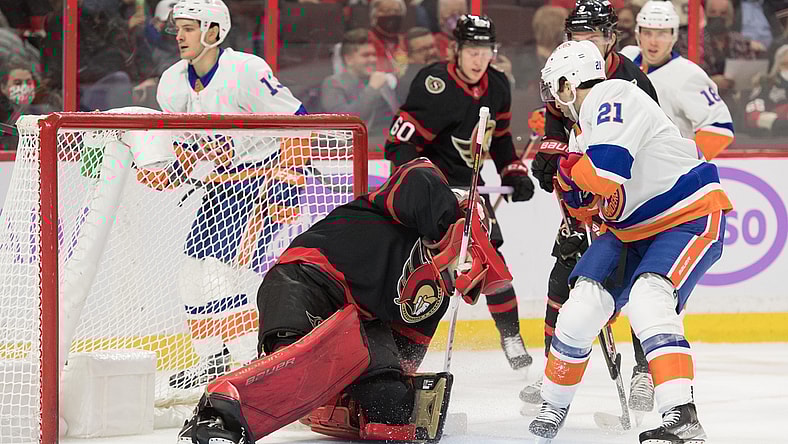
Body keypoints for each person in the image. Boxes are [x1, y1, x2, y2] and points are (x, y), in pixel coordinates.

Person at [176, 158, 512, 443]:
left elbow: (405, 356)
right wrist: (451, 225)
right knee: (298, 365)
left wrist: (376, 390)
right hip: (305, 281)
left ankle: (325, 399)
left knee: (392, 406)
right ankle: (218, 414)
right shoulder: (405, 209)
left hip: (360, 323)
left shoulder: (434, 295)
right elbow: (419, 174)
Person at [530, 39, 731, 443]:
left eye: (555, 88)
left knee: (649, 298)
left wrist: (573, 172)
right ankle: (553, 403)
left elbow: (605, 173)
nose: (553, 99)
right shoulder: (583, 128)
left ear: (569, 83)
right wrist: (571, 184)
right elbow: (585, 200)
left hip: (685, 216)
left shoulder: (613, 94)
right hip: (629, 230)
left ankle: (682, 415)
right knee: (581, 308)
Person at [148, 0, 307, 390]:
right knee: (192, 273)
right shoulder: (172, 82)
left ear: (214, 31)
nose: (179, 36)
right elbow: (184, 152)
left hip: (264, 181)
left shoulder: (246, 71)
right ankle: (213, 361)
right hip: (219, 188)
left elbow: (300, 121)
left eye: (188, 28)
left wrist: (290, 184)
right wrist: (164, 172)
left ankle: (249, 363)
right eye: (177, 28)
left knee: (223, 274)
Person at [523, 0, 660, 411]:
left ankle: (643, 372)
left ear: (611, 37)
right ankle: (553, 370)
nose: (584, 45)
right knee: (562, 277)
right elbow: (554, 126)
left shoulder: (632, 81)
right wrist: (550, 153)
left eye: (593, 37)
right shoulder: (562, 69)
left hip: (627, 193)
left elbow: (639, 149)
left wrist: (578, 164)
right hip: (582, 192)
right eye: (577, 37)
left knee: (640, 284)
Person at [385, 15, 536, 372]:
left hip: (469, 190)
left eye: (485, 50)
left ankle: (511, 335)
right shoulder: (434, 82)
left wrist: (512, 170)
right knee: (425, 271)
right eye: (471, 49)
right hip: (429, 189)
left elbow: (499, 141)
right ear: (456, 50)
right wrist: (412, 186)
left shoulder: (498, 85)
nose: (478, 58)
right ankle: (406, 355)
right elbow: (399, 143)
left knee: (488, 255)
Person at [621, 0, 735, 161]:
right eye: (648, 33)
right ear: (638, 34)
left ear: (673, 36)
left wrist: (687, 163)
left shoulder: (688, 75)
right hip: (628, 168)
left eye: (661, 34)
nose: (653, 41)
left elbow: (720, 128)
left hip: (663, 173)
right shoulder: (627, 58)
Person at [321, 29, 399, 137]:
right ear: (349, 59)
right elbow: (343, 123)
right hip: (359, 144)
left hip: (390, 140)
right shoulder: (333, 83)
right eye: (366, 55)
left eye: (374, 54)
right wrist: (372, 89)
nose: (372, 59)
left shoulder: (380, 79)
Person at [745, 44, 788, 135]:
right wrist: (777, 123)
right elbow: (753, 115)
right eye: (785, 65)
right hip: (775, 137)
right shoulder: (767, 84)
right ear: (778, 65)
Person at [396, 27, 441, 104]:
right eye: (423, 49)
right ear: (410, 56)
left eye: (432, 46)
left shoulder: (440, 72)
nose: (431, 52)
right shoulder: (410, 83)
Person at [367, 0, 409, 76]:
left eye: (396, 11)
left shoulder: (406, 40)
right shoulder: (367, 40)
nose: (392, 14)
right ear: (374, 15)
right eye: (386, 11)